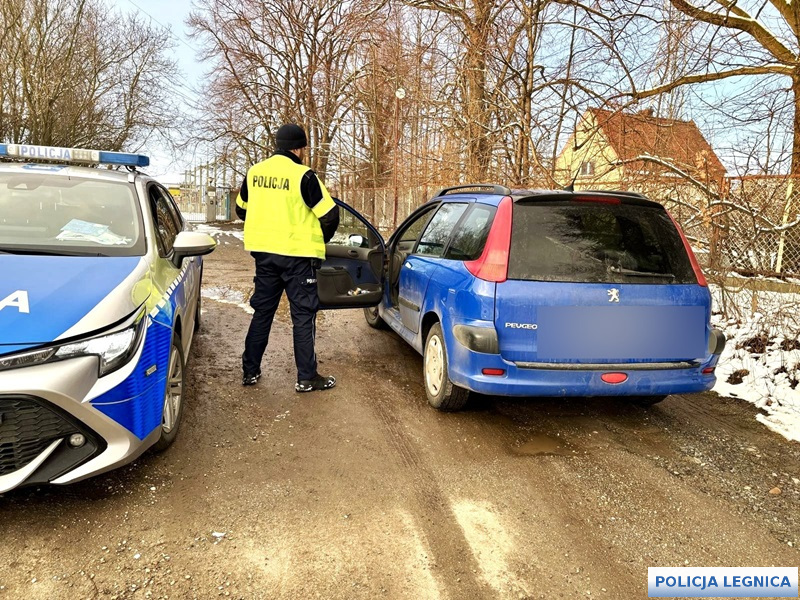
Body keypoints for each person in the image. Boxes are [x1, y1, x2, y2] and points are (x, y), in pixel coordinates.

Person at [236, 123, 340, 392]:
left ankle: (250, 371)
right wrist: (319, 239)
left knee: (263, 313)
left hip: (265, 256)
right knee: (303, 317)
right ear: (299, 148)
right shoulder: (304, 176)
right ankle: (306, 377)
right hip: (298, 258)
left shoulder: (254, 173)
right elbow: (329, 215)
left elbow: (240, 210)